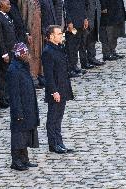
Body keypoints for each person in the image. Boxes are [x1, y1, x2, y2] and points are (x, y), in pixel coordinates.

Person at [6, 42, 39, 171]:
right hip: (20, 109)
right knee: (18, 135)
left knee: (25, 134)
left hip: (28, 107)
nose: (27, 55)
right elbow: (14, 94)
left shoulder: (23, 66)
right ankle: (16, 160)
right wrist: (18, 112)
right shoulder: (13, 70)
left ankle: (24, 159)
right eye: (25, 53)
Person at [42, 25, 74, 154]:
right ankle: (53, 144)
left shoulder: (59, 48)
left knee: (59, 118)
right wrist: (54, 91)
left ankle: (59, 142)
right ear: (51, 36)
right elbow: (49, 75)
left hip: (63, 87)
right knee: (53, 118)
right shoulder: (48, 52)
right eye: (59, 34)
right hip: (55, 90)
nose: (62, 35)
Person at [0, 0, 18, 108]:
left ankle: (9, 96)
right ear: (0, 5)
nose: (9, 6)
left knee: (10, 74)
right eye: (7, 4)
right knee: (4, 76)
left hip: (12, 50)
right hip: (6, 52)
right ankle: (2, 99)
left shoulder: (6, 16)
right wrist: (4, 53)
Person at [18, 0, 44, 88]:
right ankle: (32, 76)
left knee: (38, 52)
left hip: (38, 29)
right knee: (30, 53)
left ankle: (38, 74)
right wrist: (26, 32)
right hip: (30, 30)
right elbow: (23, 16)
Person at [64, 0, 94, 78]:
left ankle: (74, 66)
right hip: (72, 23)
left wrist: (85, 18)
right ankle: (70, 68)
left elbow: (84, 5)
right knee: (71, 47)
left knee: (77, 45)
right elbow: (66, 7)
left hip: (80, 21)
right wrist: (69, 21)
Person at [83, 0, 104, 66]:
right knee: (83, 40)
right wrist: (85, 18)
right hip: (87, 17)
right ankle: (84, 61)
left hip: (95, 14)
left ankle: (91, 57)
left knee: (92, 37)